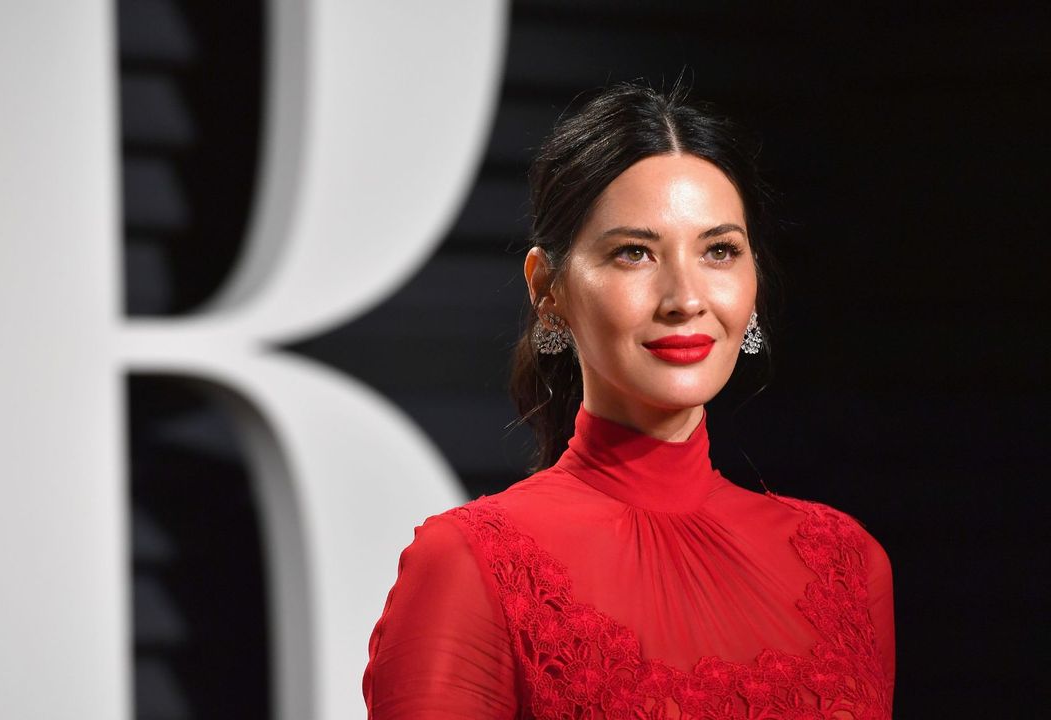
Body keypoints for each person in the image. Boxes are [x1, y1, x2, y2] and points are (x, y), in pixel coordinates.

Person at [362, 82, 895, 719]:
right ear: (547, 290)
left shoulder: (845, 564)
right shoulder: (470, 567)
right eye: (634, 253)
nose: (685, 298)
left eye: (719, 251)